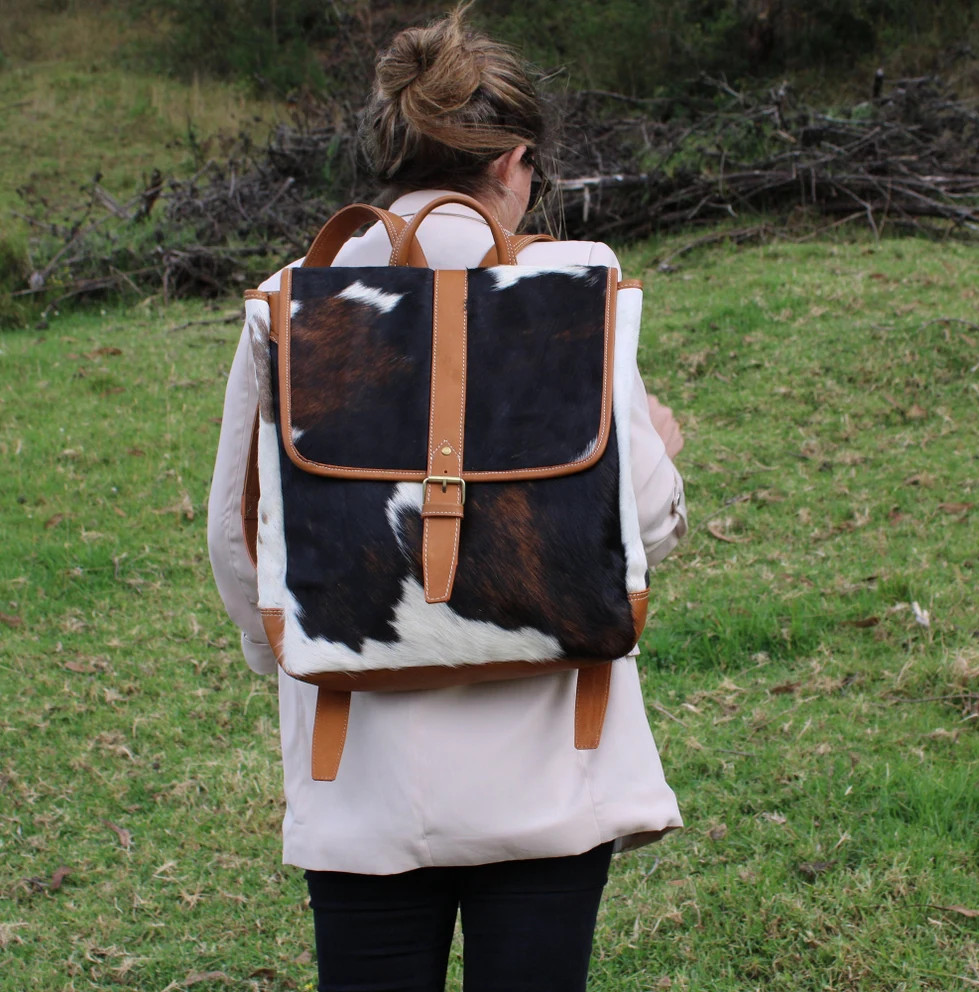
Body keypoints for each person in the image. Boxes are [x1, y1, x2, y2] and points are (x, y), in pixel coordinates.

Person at [207, 7, 687, 991]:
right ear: (513, 161)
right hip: (550, 760)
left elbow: (240, 536)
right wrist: (663, 448)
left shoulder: (298, 298)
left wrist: (289, 656)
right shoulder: (573, 286)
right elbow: (638, 527)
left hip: (361, 765)